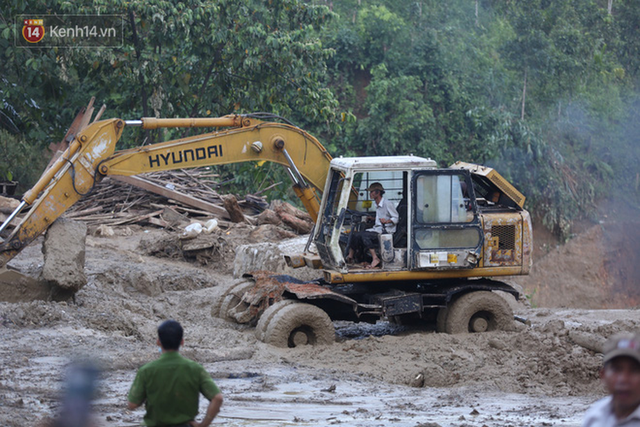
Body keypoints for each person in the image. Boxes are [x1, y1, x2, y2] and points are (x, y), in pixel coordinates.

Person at [128, 320, 223, 427]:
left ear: (158, 342)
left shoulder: (146, 370)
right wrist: (203, 424)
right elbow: (217, 398)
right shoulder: (195, 369)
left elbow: (132, 404)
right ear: (182, 342)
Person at [582, 331, 640, 426]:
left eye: (634, 370)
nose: (623, 379)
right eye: (617, 369)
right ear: (603, 374)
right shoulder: (595, 417)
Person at [346, 182, 399, 269]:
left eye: (372, 192)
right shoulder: (376, 204)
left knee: (364, 236)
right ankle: (350, 257)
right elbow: (381, 216)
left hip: (386, 230)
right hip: (377, 229)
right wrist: (373, 219)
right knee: (355, 235)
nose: (370, 194)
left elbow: (396, 218)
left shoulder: (387, 203)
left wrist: (387, 221)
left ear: (378, 193)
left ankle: (375, 258)